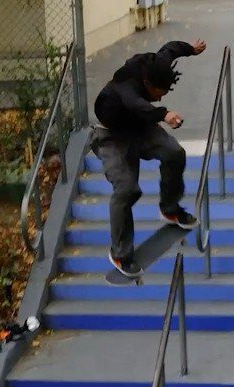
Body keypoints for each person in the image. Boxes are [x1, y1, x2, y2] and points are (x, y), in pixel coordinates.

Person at [91, 39, 207, 277]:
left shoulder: (158, 64)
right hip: (112, 137)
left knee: (174, 153)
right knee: (127, 190)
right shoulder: (125, 86)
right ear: (146, 83)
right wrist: (164, 114)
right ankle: (120, 253)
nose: (161, 97)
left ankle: (170, 207)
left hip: (140, 127)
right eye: (158, 93)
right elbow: (136, 104)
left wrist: (190, 49)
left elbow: (170, 48)